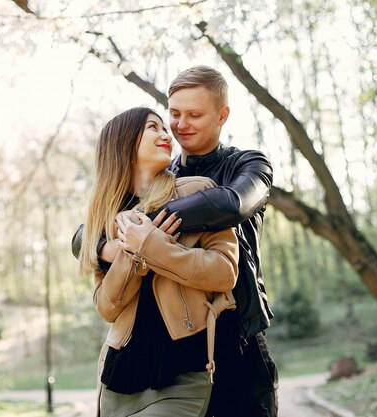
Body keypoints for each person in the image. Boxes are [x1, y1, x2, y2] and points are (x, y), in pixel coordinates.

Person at [74, 65, 279, 416]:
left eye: (195, 114)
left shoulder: (247, 164)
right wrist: (103, 244)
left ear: (222, 115)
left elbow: (232, 203)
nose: (181, 124)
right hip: (182, 351)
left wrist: (142, 231)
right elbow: (83, 235)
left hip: (239, 340)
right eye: (174, 114)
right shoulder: (158, 176)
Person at [79, 106, 239, 417]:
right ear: (124, 142)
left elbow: (225, 272)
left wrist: (153, 246)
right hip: (118, 379)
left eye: (163, 128)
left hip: (182, 373)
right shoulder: (108, 220)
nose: (167, 134)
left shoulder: (196, 192)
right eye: (153, 127)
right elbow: (106, 307)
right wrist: (133, 254)